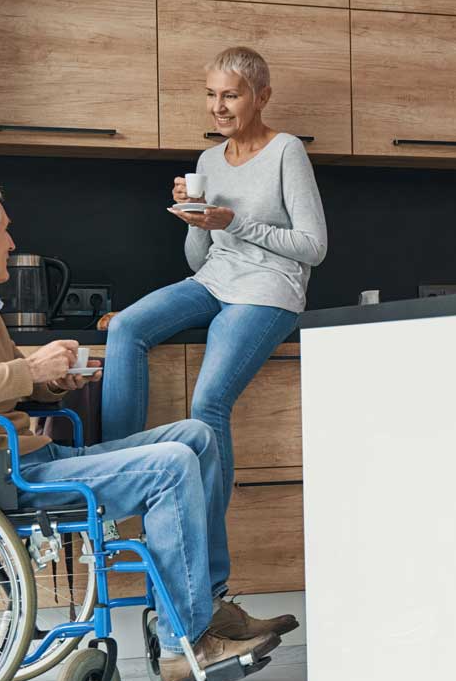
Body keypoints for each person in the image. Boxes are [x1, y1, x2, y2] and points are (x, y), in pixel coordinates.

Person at [0, 178, 283, 681]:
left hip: (29, 456)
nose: (12, 242)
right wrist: (30, 370)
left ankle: (207, 607)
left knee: (198, 436)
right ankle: (184, 641)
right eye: (5, 233)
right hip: (4, 475)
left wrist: (53, 381)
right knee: (171, 465)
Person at [101, 46, 327, 632]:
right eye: (211, 94)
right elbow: (203, 259)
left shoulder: (286, 152)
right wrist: (194, 217)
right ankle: (110, 477)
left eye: (230, 95)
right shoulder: (208, 157)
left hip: (268, 290)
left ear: (261, 97)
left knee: (207, 407)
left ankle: (216, 579)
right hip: (214, 278)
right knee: (126, 326)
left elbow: (313, 247)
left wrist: (234, 222)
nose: (218, 106)